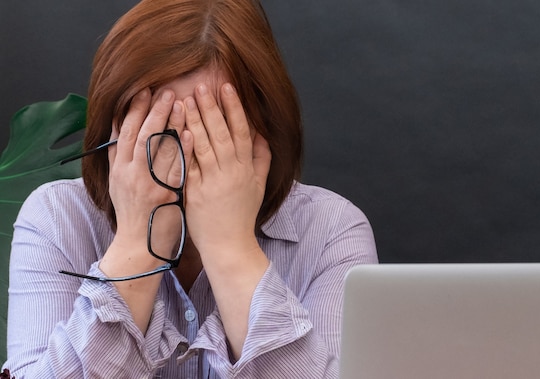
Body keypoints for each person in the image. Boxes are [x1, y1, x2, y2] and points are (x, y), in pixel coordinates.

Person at [3, 0, 377, 378]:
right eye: (160, 131)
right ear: (115, 133)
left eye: (215, 134)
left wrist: (231, 249)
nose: (183, 161)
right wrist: (137, 244)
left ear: (265, 132)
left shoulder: (331, 231)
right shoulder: (57, 219)